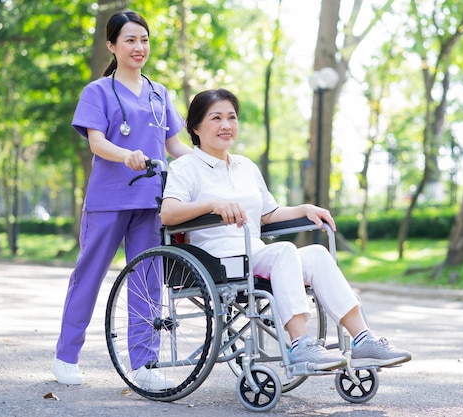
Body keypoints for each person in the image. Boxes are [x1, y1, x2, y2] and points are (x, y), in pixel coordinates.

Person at [159, 88, 411, 371]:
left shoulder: (246, 166)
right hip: (217, 260)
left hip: (255, 253)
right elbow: (168, 214)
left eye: (232, 117)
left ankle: (363, 339)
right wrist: (213, 204)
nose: (226, 125)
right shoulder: (186, 167)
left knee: (316, 253)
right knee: (284, 252)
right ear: (196, 127)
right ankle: (299, 344)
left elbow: (268, 214)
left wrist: (303, 209)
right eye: (216, 118)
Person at [51, 11, 192, 389]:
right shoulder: (97, 91)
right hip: (109, 198)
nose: (138, 47)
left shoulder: (160, 93)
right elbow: (96, 142)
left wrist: (211, 162)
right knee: (89, 276)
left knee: (148, 281)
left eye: (143, 39)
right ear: (112, 45)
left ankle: (144, 366)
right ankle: (66, 356)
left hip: (151, 201)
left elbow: (174, 144)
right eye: (130, 40)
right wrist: (125, 155)